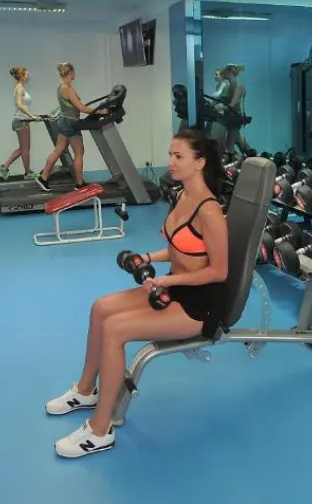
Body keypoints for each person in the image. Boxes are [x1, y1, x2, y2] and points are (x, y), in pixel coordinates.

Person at [45, 128, 229, 457]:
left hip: (198, 307)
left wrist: (168, 283)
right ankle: (86, 390)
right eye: (170, 155)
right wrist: (148, 258)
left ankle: (100, 431)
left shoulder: (209, 210)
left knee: (116, 329)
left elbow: (219, 271)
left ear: (200, 163)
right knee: (100, 308)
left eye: (179, 156)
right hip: (175, 287)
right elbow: (179, 249)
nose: (170, 162)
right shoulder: (182, 196)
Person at [36, 62, 104, 191]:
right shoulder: (67, 88)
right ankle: (79, 184)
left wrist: (93, 110)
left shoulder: (61, 87)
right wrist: (101, 111)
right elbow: (81, 108)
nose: (75, 74)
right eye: (74, 71)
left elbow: (75, 106)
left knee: (58, 150)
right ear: (71, 72)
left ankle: (43, 178)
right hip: (71, 123)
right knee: (79, 152)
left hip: (64, 121)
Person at [0, 66, 41, 181]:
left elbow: (24, 107)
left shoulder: (21, 88)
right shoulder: (19, 88)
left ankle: (4, 167)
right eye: (26, 75)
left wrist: (33, 115)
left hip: (23, 120)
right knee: (25, 149)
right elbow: (19, 105)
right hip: (21, 122)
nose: (28, 76)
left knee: (23, 148)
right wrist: (31, 116)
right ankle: (27, 173)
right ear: (21, 76)